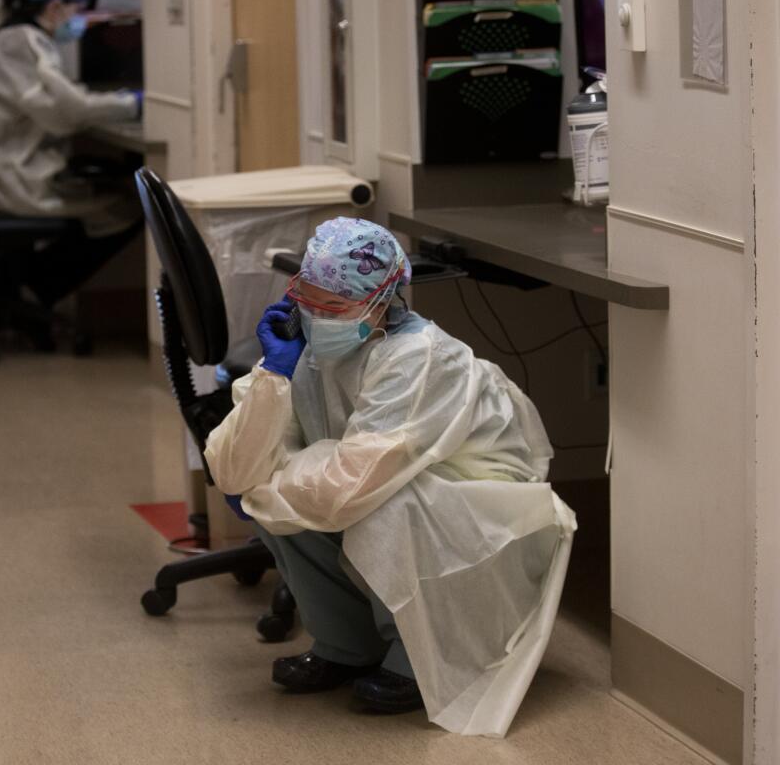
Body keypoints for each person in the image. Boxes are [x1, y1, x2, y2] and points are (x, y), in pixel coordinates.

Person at [204, 218, 577, 738]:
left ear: (385, 302)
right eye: (308, 296)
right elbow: (230, 467)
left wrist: (262, 488)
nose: (318, 314)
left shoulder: (420, 358)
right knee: (278, 499)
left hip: (481, 510)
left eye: (337, 305)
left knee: (378, 505)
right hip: (385, 488)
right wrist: (272, 377)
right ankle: (346, 645)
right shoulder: (305, 348)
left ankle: (417, 658)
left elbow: (349, 487)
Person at [0, 0, 144, 310]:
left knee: (110, 192)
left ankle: (28, 286)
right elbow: (70, 111)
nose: (83, 19)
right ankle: (37, 289)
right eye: (80, 8)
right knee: (129, 205)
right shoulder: (24, 42)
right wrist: (134, 103)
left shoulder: (12, 40)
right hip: (13, 180)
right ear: (54, 6)